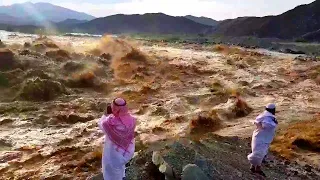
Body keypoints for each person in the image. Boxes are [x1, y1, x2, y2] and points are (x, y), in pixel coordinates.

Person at [98, 98, 136, 180]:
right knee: (120, 169)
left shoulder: (109, 123)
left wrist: (105, 114)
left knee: (111, 173)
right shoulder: (132, 120)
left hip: (113, 154)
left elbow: (101, 124)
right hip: (127, 152)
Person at [247, 103, 278, 177]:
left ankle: (254, 167)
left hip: (262, 137)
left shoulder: (264, 116)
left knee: (260, 153)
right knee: (259, 153)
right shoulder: (267, 117)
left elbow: (257, 122)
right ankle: (256, 168)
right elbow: (266, 125)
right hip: (261, 138)